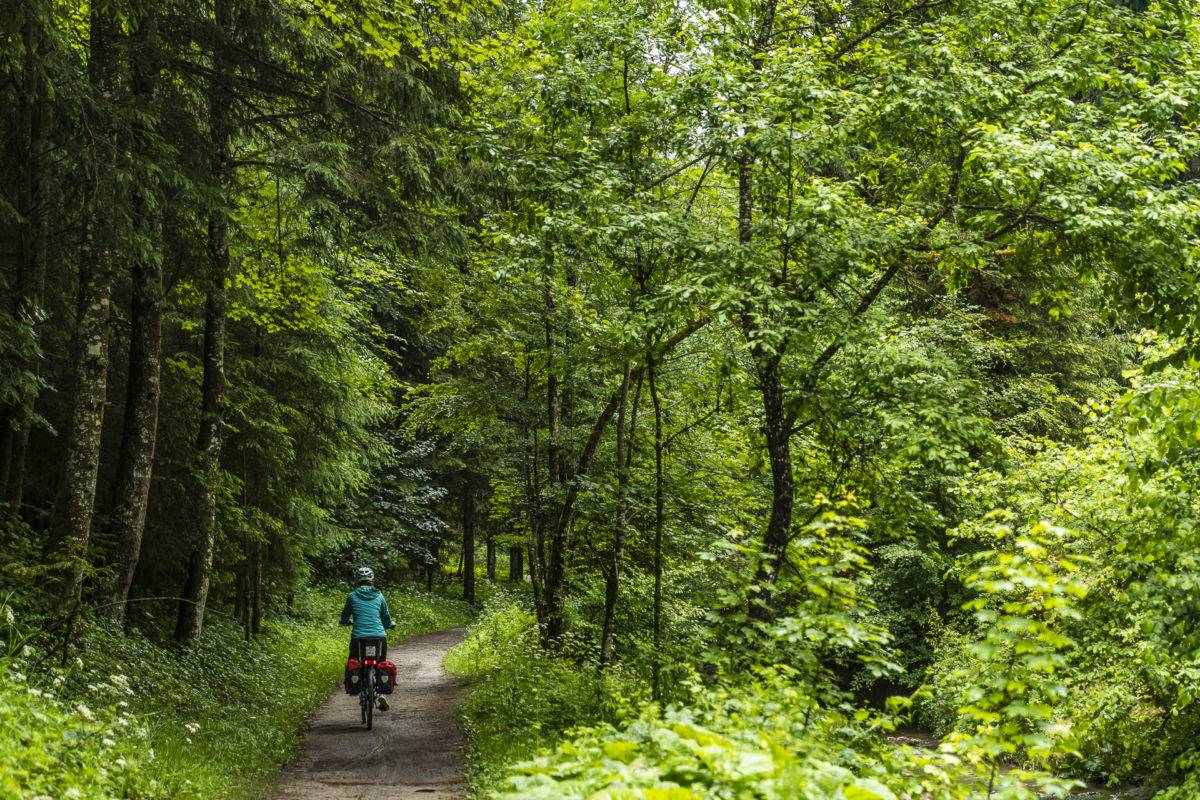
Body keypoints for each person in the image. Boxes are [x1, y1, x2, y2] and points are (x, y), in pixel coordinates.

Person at [340, 566, 396, 711]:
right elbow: (385, 616)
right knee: (381, 662)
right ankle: (382, 692)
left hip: (358, 636)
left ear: (357, 580)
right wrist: (390, 624)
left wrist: (345, 622)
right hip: (379, 635)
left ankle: (355, 684)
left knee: (354, 660)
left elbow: (345, 616)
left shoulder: (352, 596)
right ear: (372, 580)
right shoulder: (379, 595)